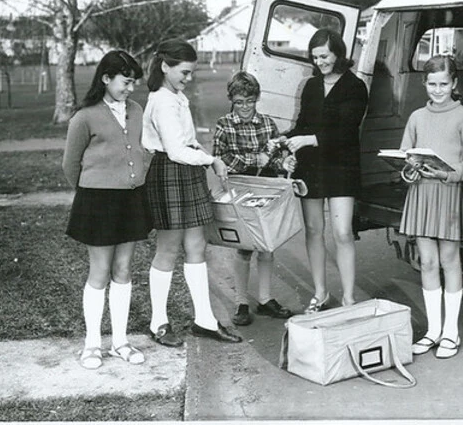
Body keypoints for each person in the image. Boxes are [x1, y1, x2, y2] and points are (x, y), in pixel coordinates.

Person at [142, 40, 242, 345]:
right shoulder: (161, 100)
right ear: (165, 67)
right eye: (184, 72)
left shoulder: (178, 97)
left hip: (188, 171)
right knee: (169, 249)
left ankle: (205, 321)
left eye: (191, 72)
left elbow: (187, 141)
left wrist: (203, 151)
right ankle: (158, 322)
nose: (189, 78)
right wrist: (211, 160)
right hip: (170, 172)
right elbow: (174, 151)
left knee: (197, 246)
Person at [62, 50, 151, 370]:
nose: (131, 88)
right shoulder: (85, 116)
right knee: (99, 272)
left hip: (131, 199)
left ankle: (120, 342)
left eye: (134, 83)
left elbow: (140, 149)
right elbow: (70, 165)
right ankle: (91, 345)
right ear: (105, 79)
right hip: (97, 201)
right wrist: (92, 193)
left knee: (124, 270)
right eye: (126, 82)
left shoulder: (137, 110)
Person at [399, 54, 463, 359]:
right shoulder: (417, 117)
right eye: (432, 84)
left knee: (450, 261)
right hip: (421, 195)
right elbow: (404, 156)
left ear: (454, 83)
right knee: (428, 262)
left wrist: (449, 174)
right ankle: (433, 331)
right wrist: (408, 169)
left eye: (443, 84)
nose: (438, 90)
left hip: (448, 194)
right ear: (424, 83)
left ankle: (451, 332)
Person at [285, 28, 368, 313]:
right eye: (315, 57)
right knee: (312, 229)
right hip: (311, 167)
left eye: (324, 56)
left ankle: (348, 298)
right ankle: (320, 294)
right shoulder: (310, 86)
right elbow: (301, 124)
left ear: (339, 54)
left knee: (343, 232)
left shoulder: (355, 87)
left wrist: (308, 139)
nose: (319, 62)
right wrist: (286, 141)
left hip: (341, 165)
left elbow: (346, 131)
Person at [212, 71, 297, 326]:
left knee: (267, 244)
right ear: (232, 101)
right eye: (239, 102)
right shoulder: (223, 124)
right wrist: (253, 159)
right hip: (240, 187)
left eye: (250, 101)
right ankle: (241, 301)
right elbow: (220, 158)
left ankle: (265, 299)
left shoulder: (268, 124)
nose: (245, 107)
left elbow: (277, 157)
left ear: (257, 99)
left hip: (266, 185)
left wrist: (286, 161)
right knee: (244, 247)